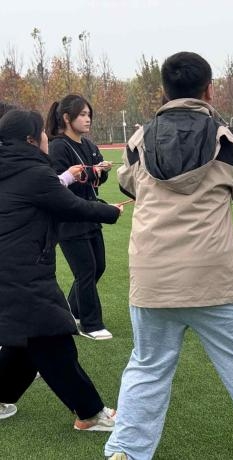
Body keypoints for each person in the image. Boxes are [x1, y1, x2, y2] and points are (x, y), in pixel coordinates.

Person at [104, 52, 233, 460]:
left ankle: (127, 450)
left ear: (164, 90)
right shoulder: (227, 138)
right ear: (209, 90)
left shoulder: (138, 139)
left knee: (147, 366)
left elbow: (129, 185)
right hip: (214, 276)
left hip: (152, 275)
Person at [0, 109, 122, 430]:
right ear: (30, 140)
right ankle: (90, 413)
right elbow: (70, 206)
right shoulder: (33, 172)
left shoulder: (12, 168)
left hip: (13, 269)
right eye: (42, 132)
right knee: (52, 340)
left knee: (24, 342)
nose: (47, 137)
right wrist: (110, 212)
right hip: (23, 273)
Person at [46, 94, 114, 341]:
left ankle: (73, 309)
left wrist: (101, 171)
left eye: (89, 115)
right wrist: (85, 172)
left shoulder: (89, 145)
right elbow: (56, 183)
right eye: (83, 115)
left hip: (91, 214)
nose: (88, 119)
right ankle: (90, 324)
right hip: (69, 219)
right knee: (85, 270)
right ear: (67, 118)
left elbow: (95, 179)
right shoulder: (58, 146)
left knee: (98, 267)